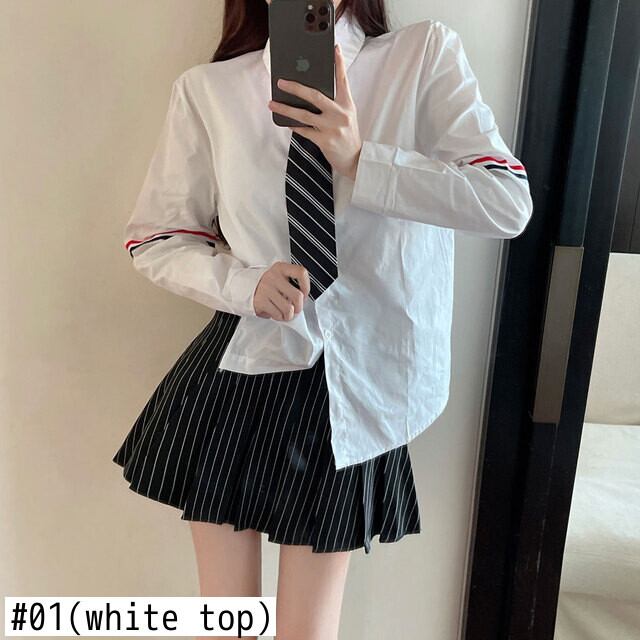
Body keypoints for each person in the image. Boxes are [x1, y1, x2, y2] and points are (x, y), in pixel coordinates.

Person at [112, 0, 533, 637]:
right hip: (241, 365)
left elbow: (505, 202)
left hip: (356, 385)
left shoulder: (421, 56)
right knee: (224, 620)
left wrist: (362, 159)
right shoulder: (209, 90)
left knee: (306, 630)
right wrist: (245, 283)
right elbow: (156, 237)